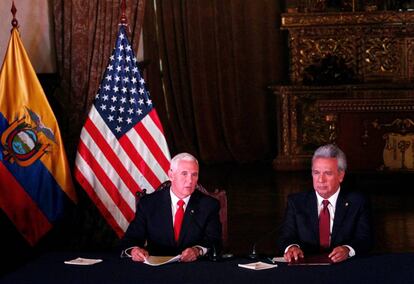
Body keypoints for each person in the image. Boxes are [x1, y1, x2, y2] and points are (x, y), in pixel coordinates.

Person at [277, 144, 373, 263]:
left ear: (341, 175)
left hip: (344, 269)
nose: (321, 180)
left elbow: (365, 239)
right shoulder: (296, 202)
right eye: (316, 172)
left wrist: (347, 250)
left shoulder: (357, 202)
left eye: (327, 173)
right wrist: (292, 247)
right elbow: (286, 237)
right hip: (306, 269)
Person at [119, 152, 222, 262]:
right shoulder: (148, 204)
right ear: (171, 175)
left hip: (193, 268)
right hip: (156, 269)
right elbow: (130, 240)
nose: (190, 180)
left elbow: (214, 241)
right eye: (184, 174)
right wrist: (134, 250)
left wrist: (197, 250)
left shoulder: (209, 205)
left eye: (194, 174)